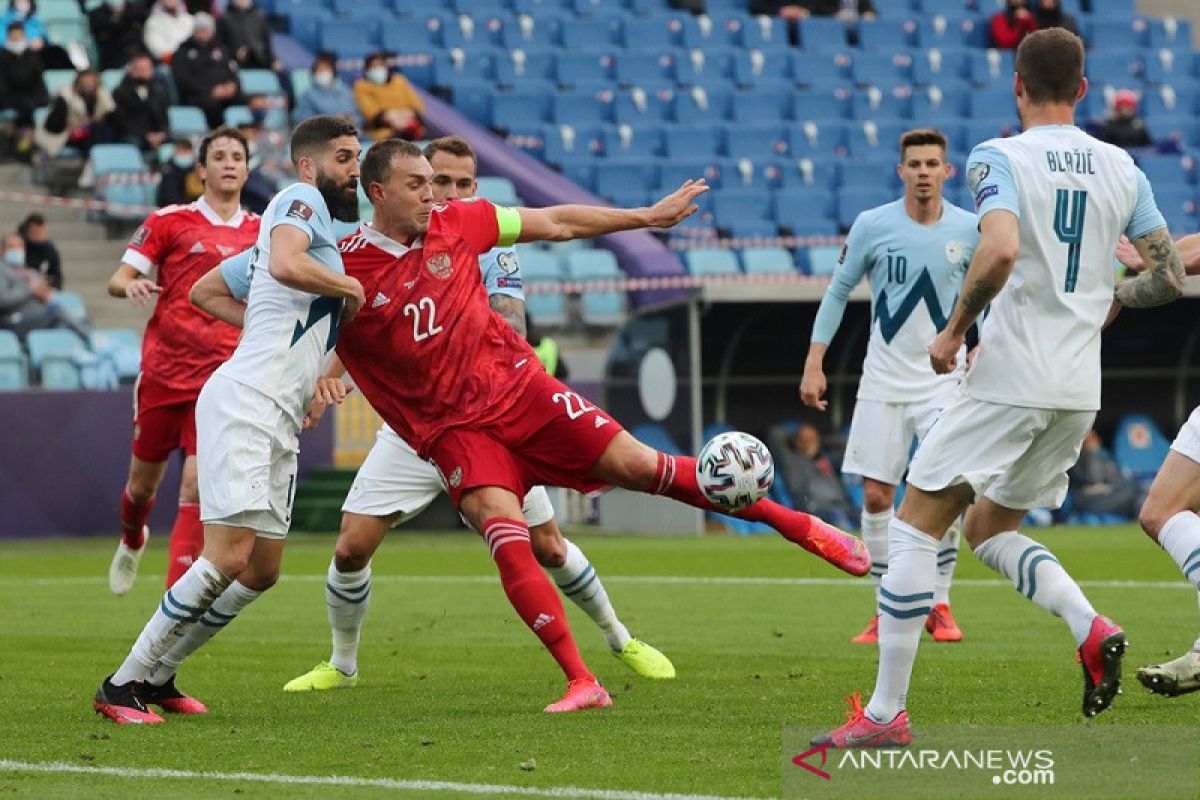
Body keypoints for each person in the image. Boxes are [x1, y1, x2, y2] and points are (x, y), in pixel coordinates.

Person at [311, 139, 868, 713]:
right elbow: (314, 322)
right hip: (452, 430)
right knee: (500, 537)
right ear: (377, 193)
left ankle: (799, 525)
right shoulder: (341, 264)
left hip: (522, 391)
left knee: (637, 466)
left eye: (437, 182)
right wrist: (316, 380)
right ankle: (581, 681)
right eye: (418, 185)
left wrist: (646, 217)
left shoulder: (463, 222)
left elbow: (555, 221)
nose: (433, 196)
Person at [812, 28, 1186, 749]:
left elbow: (1002, 246)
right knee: (987, 527)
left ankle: (886, 714)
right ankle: (1090, 626)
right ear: (1083, 90)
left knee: (917, 521)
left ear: (1016, 86)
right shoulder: (1123, 167)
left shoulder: (999, 157)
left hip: (1011, 375)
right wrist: (1113, 297)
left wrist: (953, 330)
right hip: (1079, 390)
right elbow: (1168, 277)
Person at [282, 135, 674, 698]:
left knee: (550, 545)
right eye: (437, 182)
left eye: (465, 184)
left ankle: (620, 637)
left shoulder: (485, 238)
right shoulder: (372, 253)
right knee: (350, 546)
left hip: (494, 413)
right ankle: (342, 662)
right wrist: (328, 375)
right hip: (418, 429)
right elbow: (374, 324)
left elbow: (509, 317)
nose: (449, 194)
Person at [93, 115, 366, 725]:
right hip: (247, 400)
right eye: (346, 158)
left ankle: (159, 678)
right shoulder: (298, 201)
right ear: (308, 165)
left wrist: (296, 351)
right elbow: (292, 267)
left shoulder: (313, 234)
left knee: (262, 569)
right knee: (227, 556)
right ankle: (121, 683)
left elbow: (207, 291)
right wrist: (346, 289)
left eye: (358, 158)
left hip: (278, 410)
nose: (354, 170)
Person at [801, 128, 977, 646]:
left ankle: (939, 603)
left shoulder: (970, 230)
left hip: (945, 384)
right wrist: (815, 363)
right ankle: (885, 608)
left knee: (945, 491)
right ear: (900, 171)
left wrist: (982, 343)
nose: (923, 172)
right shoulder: (872, 225)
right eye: (914, 164)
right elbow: (836, 293)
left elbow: (991, 293)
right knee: (877, 495)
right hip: (882, 380)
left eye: (932, 164)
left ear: (947, 172)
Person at [103, 126, 259, 599]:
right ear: (202, 170)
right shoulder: (170, 220)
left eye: (237, 156)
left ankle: (176, 603)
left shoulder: (263, 229)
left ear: (247, 168)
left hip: (221, 377)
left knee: (196, 481)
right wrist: (129, 285)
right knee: (141, 487)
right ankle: (133, 536)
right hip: (166, 372)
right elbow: (120, 276)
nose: (229, 163)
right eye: (220, 156)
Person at [767, 422, 856, 531]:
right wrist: (794, 435)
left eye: (812, 439)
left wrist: (822, 441)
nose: (807, 443)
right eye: (803, 439)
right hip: (813, 506)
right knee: (839, 520)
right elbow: (775, 434)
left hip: (842, 504)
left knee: (868, 517)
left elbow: (846, 446)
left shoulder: (825, 458)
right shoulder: (791, 459)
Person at [35, 69, 115, 187]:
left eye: (92, 82)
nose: (88, 85)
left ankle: (93, 166)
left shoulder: (102, 96)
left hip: (88, 135)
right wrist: (70, 126)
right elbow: (52, 126)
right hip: (63, 136)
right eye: (85, 82)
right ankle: (92, 166)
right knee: (96, 130)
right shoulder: (64, 98)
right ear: (78, 82)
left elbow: (111, 116)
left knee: (101, 130)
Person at [0, 232, 85, 341]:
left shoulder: (29, 272)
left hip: (34, 315)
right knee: (57, 312)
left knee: (66, 322)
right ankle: (92, 343)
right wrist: (30, 289)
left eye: (20, 246)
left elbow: (40, 294)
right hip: (11, 320)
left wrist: (44, 295)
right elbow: (2, 300)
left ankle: (65, 353)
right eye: (12, 247)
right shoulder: (2, 270)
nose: (17, 250)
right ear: (1, 250)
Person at [171, 12, 239, 129]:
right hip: (197, 96)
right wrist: (211, 91)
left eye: (206, 29)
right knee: (211, 105)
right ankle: (218, 133)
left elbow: (232, 71)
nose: (203, 32)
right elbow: (183, 80)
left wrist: (233, 86)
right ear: (194, 31)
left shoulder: (221, 49)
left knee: (244, 100)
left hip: (224, 93)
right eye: (200, 29)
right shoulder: (183, 51)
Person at [0, 21, 48, 160]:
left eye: (19, 35)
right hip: (9, 98)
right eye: (13, 35)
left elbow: (38, 81)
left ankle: (26, 147)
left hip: (31, 98)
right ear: (9, 36)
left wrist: (44, 100)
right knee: (24, 110)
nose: (16, 38)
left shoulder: (31, 55)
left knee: (37, 109)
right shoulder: (3, 56)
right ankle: (19, 148)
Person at [1067, 429, 1140, 520]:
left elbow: (1117, 477)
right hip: (1088, 500)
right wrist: (1091, 452)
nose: (1093, 440)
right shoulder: (1075, 459)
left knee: (1136, 490)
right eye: (1088, 438)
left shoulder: (1103, 454)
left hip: (1110, 493)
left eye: (1093, 436)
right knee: (1133, 493)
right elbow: (1093, 477)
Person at [354, 52, 424, 142]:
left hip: (410, 126)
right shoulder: (361, 85)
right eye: (373, 66)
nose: (377, 69)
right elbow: (369, 112)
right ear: (367, 69)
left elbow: (417, 104)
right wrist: (390, 117)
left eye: (380, 65)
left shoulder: (399, 80)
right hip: (382, 132)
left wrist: (407, 115)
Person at [110, 52, 170, 153]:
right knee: (132, 142)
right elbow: (122, 122)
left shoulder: (159, 91)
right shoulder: (120, 93)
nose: (143, 72)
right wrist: (146, 135)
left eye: (146, 68)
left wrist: (162, 133)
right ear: (132, 70)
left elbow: (164, 117)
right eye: (140, 69)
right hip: (133, 134)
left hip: (156, 134)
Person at [294, 52, 360, 128]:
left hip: (347, 131)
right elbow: (304, 119)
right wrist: (332, 121)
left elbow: (356, 114)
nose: (324, 73)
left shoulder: (344, 90)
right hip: (322, 134)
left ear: (333, 72)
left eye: (326, 70)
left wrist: (351, 119)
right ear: (314, 74)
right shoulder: (308, 94)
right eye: (320, 71)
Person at [88, 0, 149, 71]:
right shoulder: (96, 14)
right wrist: (117, 15)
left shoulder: (137, 9)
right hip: (112, 59)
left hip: (136, 53)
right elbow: (106, 28)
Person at [154, 137, 203, 206]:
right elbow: (167, 194)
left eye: (186, 151)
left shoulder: (197, 169)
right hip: (170, 209)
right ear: (175, 151)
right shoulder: (168, 170)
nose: (183, 154)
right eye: (181, 151)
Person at [18, 213, 62, 289]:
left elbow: (56, 275)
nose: (40, 236)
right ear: (28, 231)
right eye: (36, 232)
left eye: (43, 232)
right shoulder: (16, 245)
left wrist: (51, 284)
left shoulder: (49, 248)